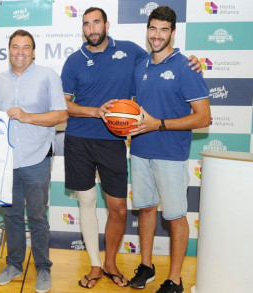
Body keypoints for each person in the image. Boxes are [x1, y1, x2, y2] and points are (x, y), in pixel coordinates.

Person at [60, 7, 201, 289]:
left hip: (115, 142)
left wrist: (192, 61)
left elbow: (162, 56)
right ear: (83, 29)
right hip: (79, 140)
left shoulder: (131, 52)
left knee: (120, 210)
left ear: (107, 24)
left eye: (96, 22)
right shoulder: (74, 61)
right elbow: (62, 104)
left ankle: (112, 263)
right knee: (88, 204)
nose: (92, 29)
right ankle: (96, 265)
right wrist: (94, 112)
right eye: (86, 24)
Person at [128, 6, 210, 293]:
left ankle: (175, 279)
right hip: (139, 151)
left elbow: (204, 117)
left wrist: (158, 124)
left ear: (173, 32)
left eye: (164, 30)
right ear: (147, 30)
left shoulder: (185, 66)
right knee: (147, 210)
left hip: (171, 155)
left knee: (175, 216)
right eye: (153, 29)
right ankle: (147, 265)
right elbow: (135, 111)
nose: (157, 35)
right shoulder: (140, 66)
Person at [0, 30, 68, 293]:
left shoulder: (48, 76)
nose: (20, 52)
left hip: (36, 157)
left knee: (37, 216)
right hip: (7, 159)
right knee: (11, 215)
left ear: (33, 52)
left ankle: (43, 268)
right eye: (15, 46)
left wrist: (27, 117)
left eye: (26, 47)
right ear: (9, 50)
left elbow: (61, 115)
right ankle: (14, 264)